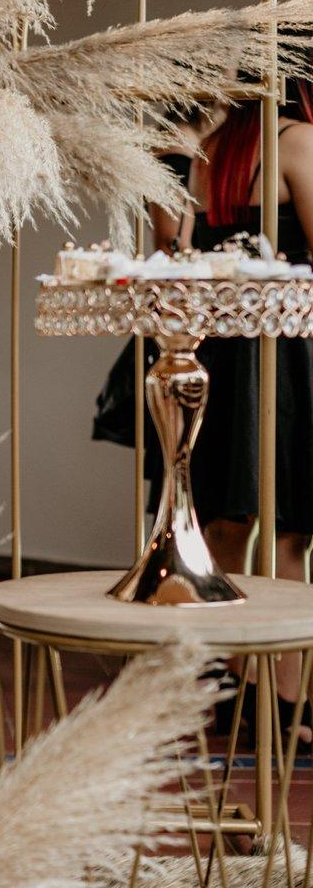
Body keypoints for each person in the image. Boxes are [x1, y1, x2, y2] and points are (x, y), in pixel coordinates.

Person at [149, 86, 313, 714]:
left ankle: (229, 686)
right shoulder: (296, 143)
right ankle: (284, 700)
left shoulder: (201, 152)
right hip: (285, 353)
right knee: (290, 534)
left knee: (220, 525)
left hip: (212, 350)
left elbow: (171, 252)